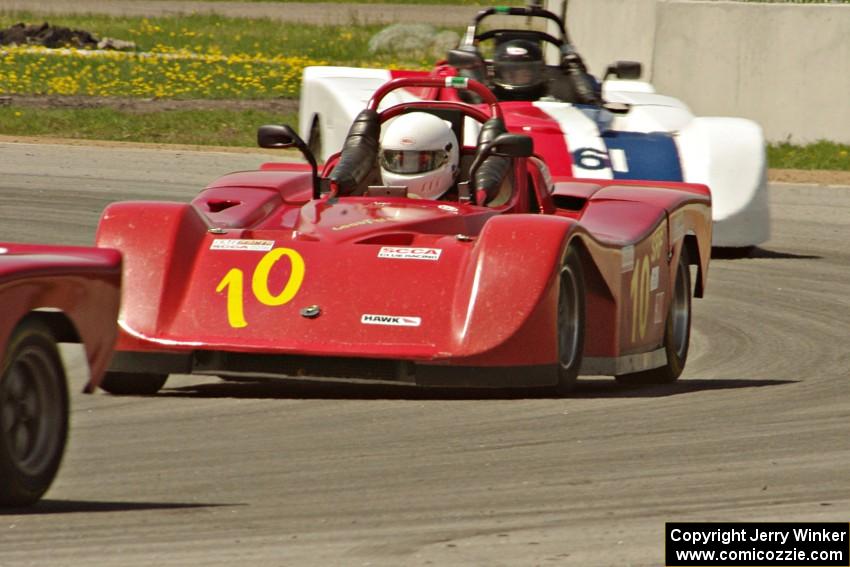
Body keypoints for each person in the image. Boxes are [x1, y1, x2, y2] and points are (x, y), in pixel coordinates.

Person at [379, 112, 460, 200]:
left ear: (449, 158)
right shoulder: (371, 203)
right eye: (400, 160)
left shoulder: (464, 206)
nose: (408, 165)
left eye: (422, 161)